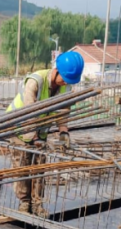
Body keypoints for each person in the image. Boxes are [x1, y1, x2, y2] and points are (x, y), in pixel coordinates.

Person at [7, 51, 84, 216]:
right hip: (20, 127)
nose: (65, 83)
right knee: (22, 167)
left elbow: (63, 112)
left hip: (41, 131)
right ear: (56, 70)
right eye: (64, 78)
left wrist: (64, 132)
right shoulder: (36, 81)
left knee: (40, 168)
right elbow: (29, 111)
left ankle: (37, 204)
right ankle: (24, 203)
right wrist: (33, 137)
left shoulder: (66, 87)